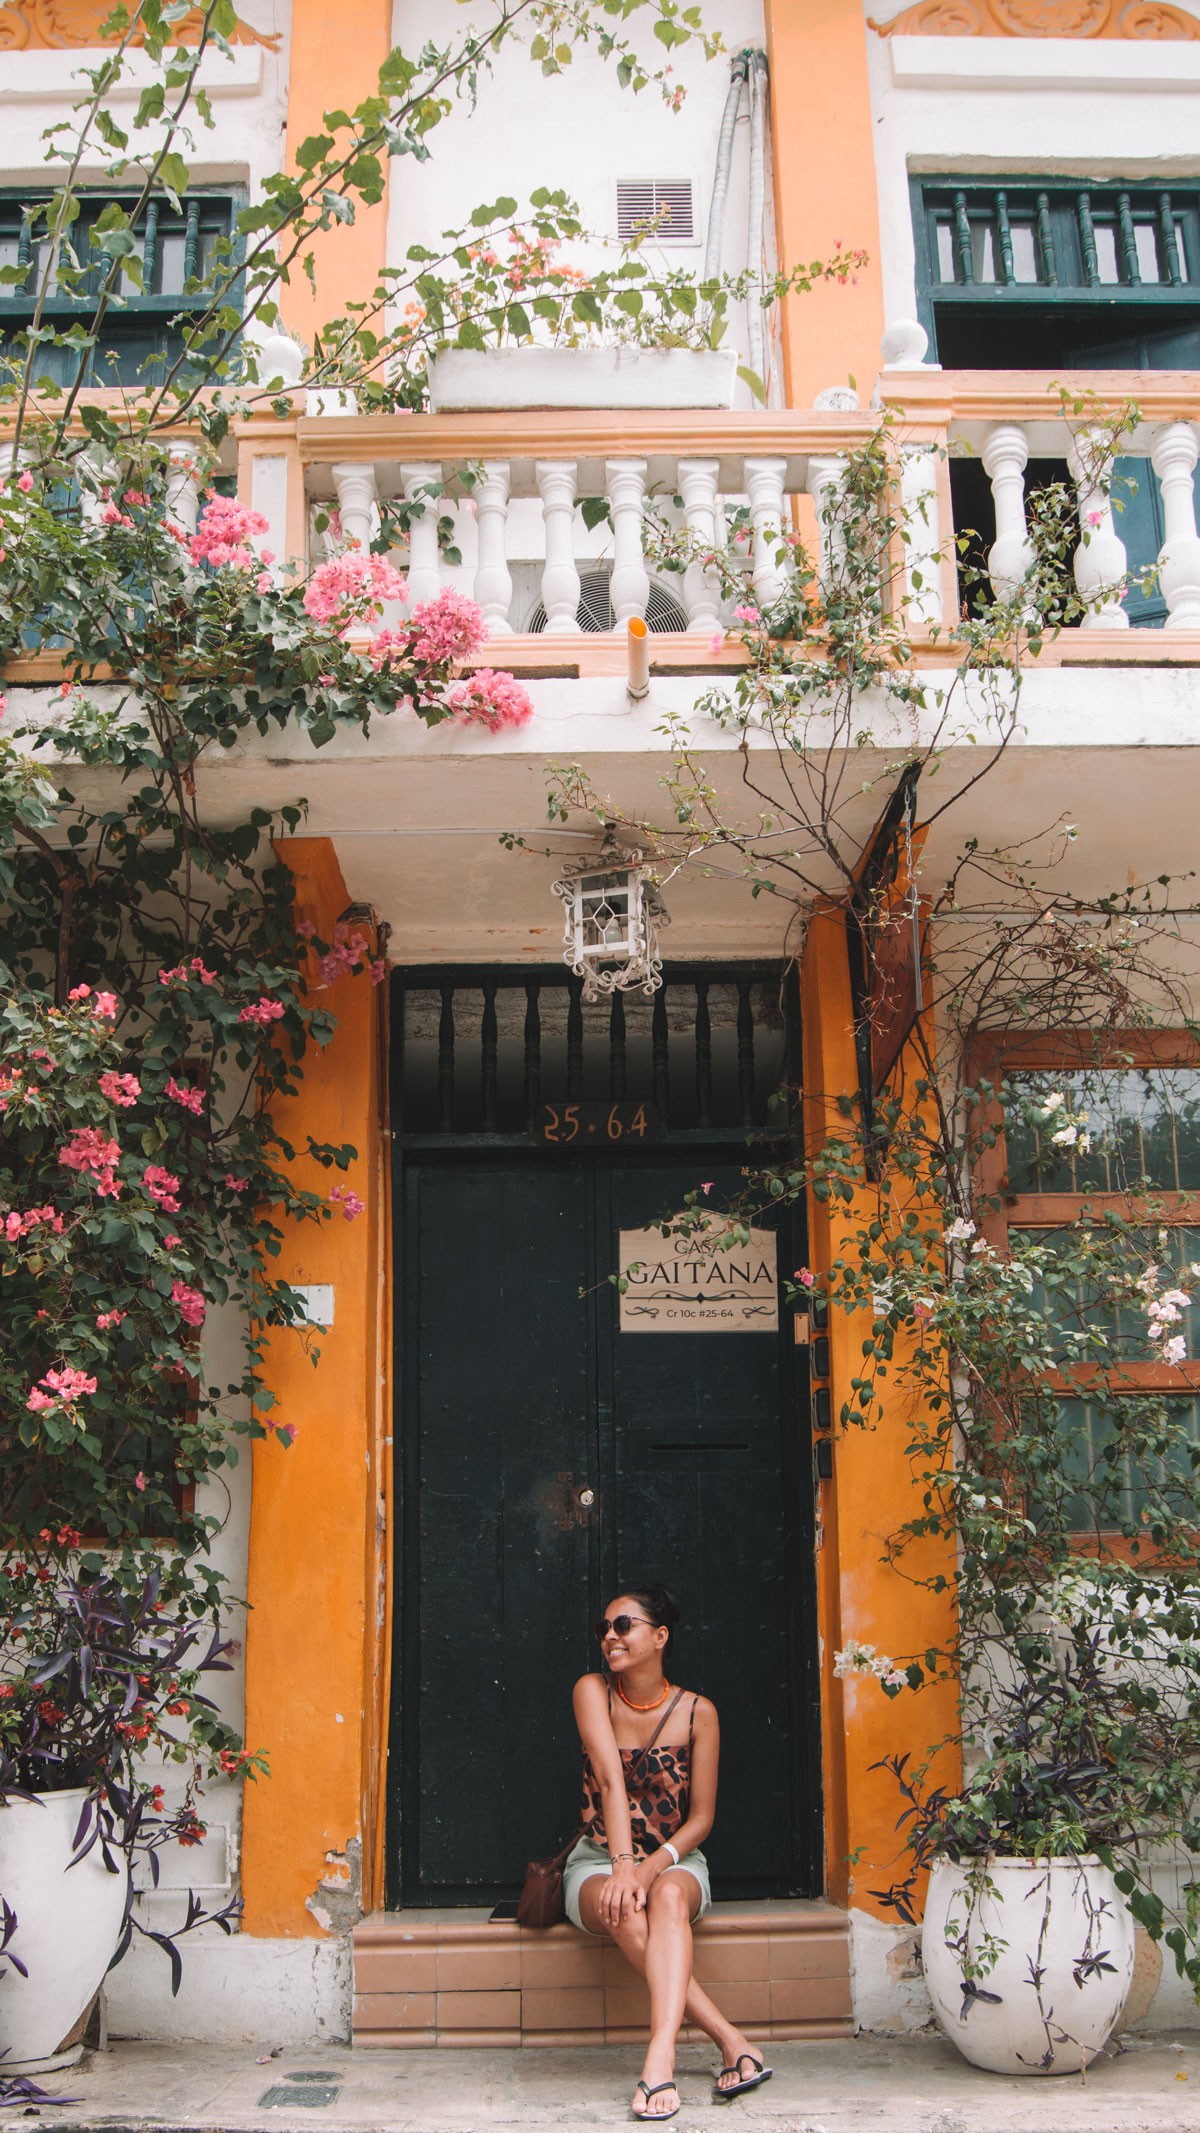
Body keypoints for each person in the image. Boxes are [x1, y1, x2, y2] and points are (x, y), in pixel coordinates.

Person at [564, 1583, 773, 2122]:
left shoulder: (698, 1711)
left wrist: (655, 1865)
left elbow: (701, 1818)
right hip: (599, 1858)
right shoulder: (593, 1691)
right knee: (627, 1908)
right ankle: (729, 2038)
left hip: (676, 1859)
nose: (610, 1637)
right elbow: (611, 1783)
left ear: (660, 1636)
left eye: (623, 1625)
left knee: (670, 1901)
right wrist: (623, 1868)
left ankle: (660, 2058)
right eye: (604, 1628)